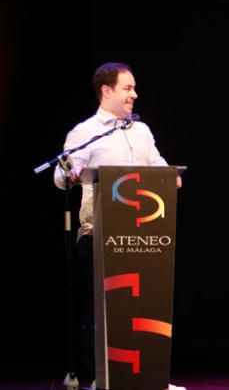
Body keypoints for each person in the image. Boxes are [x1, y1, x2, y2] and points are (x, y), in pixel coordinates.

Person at [54, 62, 184, 390]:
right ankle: (103, 377)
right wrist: (69, 174)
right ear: (106, 91)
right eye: (127, 88)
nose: (134, 95)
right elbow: (61, 176)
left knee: (145, 305)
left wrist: (172, 177)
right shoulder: (85, 132)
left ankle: (150, 377)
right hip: (99, 235)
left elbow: (157, 165)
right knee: (101, 312)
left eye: (134, 88)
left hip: (145, 236)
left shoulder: (141, 131)